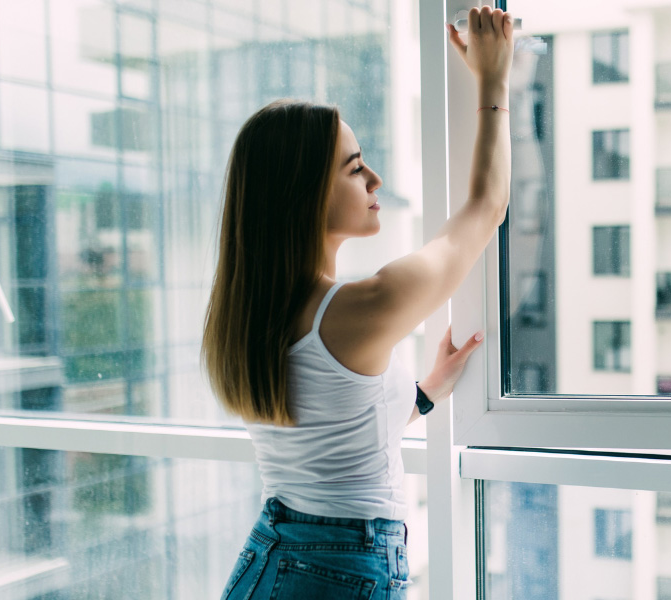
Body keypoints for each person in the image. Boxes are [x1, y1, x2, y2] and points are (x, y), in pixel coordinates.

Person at [203, 7, 513, 598]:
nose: (374, 179)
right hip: (337, 567)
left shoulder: (250, 312)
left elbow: (330, 429)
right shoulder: (362, 308)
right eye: (353, 168)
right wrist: (493, 80)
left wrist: (421, 395)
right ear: (304, 195)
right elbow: (486, 208)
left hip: (273, 552)